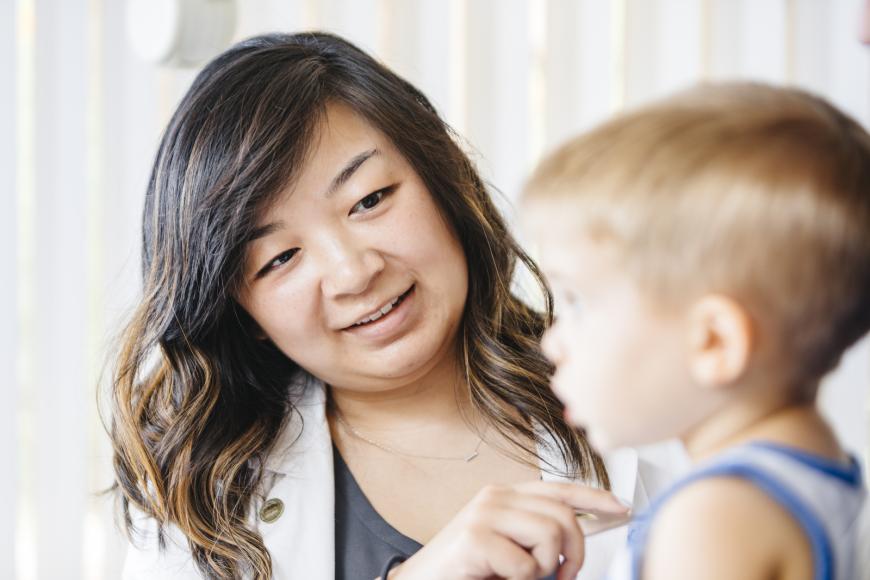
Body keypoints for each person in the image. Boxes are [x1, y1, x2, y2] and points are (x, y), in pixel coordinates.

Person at [110, 31, 666, 580]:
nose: (353, 273)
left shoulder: (660, 385)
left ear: (443, 179)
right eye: (280, 258)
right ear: (241, 313)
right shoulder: (200, 505)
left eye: (370, 200)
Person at [522, 81, 869, 579]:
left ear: (713, 342)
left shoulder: (714, 517)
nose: (551, 341)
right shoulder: (818, 464)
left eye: (578, 302)